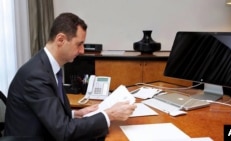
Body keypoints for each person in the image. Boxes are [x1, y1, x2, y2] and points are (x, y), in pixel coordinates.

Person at [4, 12, 137, 141]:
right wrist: (109, 115)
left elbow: (50, 115)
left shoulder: (49, 66)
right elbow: (64, 132)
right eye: (79, 44)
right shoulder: (36, 76)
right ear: (60, 40)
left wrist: (76, 114)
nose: (82, 50)